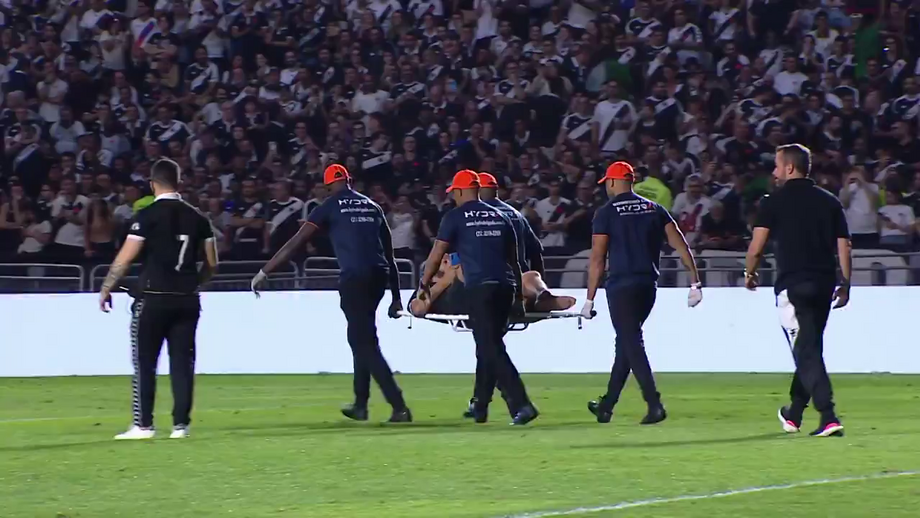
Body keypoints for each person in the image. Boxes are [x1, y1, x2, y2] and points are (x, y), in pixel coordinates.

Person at [251, 164, 411, 423]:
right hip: (379, 277)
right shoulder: (373, 206)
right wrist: (396, 298)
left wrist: (265, 271)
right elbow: (390, 256)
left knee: (364, 343)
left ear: (327, 186)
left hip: (355, 278)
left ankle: (399, 406)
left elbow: (296, 242)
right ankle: (360, 404)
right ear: (349, 180)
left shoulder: (328, 206)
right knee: (360, 336)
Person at [98, 158, 219, 440]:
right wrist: (194, 282)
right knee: (182, 363)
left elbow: (125, 259)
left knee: (144, 361)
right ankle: (180, 426)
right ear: (179, 182)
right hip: (187, 300)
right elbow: (212, 264)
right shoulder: (200, 219)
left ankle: (143, 425)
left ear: (153, 184)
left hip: (153, 298)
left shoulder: (147, 217)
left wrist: (107, 287)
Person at [581, 161, 702, 425]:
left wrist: (589, 298)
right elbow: (680, 243)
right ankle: (607, 405)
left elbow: (598, 258)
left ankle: (654, 403)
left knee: (632, 342)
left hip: (621, 286)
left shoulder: (606, 212)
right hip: (648, 286)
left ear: (612, 183)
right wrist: (695, 282)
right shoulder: (654, 209)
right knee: (625, 343)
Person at [744, 143, 851, 438]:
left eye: (777, 166)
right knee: (810, 347)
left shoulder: (773, 202)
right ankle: (794, 412)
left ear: (790, 168)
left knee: (805, 351)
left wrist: (749, 273)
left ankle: (828, 415)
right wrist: (846, 282)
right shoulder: (830, 201)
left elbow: (757, 246)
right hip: (824, 284)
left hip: (793, 285)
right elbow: (844, 244)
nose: (775, 172)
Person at [418, 170, 538, 426]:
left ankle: (522, 404)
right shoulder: (502, 216)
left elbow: (437, 254)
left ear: (461, 191)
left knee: (490, 347)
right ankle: (480, 405)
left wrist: (424, 284)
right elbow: (515, 260)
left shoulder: (455, 217)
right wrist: (517, 292)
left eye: (454, 194)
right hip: (505, 286)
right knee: (488, 345)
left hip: (480, 287)